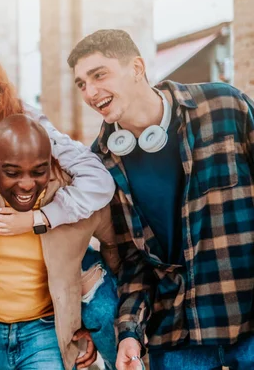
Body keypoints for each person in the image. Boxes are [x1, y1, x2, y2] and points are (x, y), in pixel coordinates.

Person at [69, 29, 254, 370]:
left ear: (137, 68)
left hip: (246, 319)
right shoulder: (102, 163)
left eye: (99, 75)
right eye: (81, 83)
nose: (90, 92)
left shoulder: (225, 107)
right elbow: (132, 262)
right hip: (176, 333)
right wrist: (128, 332)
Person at [0, 42, 120, 369]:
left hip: (43, 328)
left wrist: (40, 217)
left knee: (101, 304)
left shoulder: (33, 127)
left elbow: (99, 185)